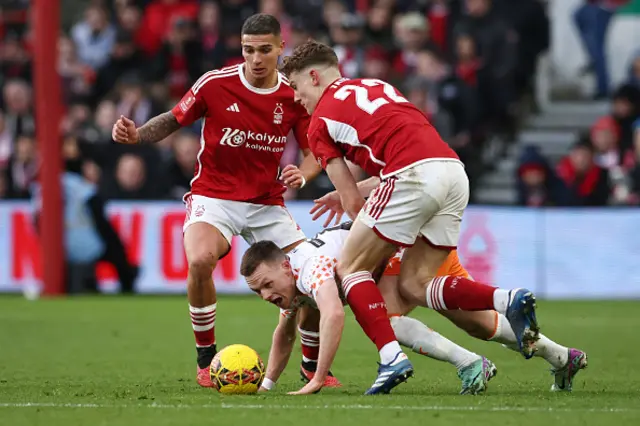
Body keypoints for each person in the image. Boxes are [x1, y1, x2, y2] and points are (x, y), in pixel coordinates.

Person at [279, 40, 540, 359]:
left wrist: (375, 243)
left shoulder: (319, 122)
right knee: (417, 283)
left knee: (350, 267)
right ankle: (508, 299)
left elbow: (353, 205)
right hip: (452, 171)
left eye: (295, 86)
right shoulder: (376, 85)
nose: (295, 96)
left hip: (410, 179)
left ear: (315, 77)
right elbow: (410, 154)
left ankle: (390, 360)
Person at [111, 14, 325, 388]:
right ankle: (206, 359)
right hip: (214, 195)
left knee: (310, 275)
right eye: (247, 50)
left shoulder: (292, 94)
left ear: (279, 49)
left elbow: (314, 151)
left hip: (266, 202)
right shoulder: (215, 83)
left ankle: (310, 365)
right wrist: (138, 136)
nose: (255, 58)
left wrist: (304, 174)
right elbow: (174, 118)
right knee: (199, 259)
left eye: (263, 50)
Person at [243, 224, 498, 396]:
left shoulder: (310, 270)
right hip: (381, 254)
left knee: (388, 322)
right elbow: (285, 334)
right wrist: (266, 385)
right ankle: (522, 340)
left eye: (267, 285)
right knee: (484, 325)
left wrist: (318, 379)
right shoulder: (288, 282)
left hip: (399, 247)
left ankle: (470, 359)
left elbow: (334, 314)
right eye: (257, 291)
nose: (265, 295)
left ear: (286, 268)